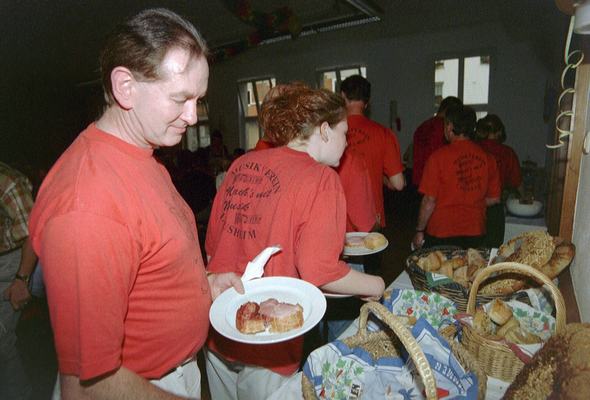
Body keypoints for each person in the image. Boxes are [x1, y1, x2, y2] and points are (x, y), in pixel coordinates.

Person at [28, 8, 243, 399]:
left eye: (198, 100)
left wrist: (205, 286)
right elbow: (92, 385)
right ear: (125, 87)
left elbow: (146, 262)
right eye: (181, 98)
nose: (193, 117)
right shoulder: (87, 205)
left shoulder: (142, 152)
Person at [204, 83, 385, 400]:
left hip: (220, 324)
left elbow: (211, 247)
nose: (346, 143)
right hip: (269, 339)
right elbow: (320, 273)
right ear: (325, 130)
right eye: (344, 133)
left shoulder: (241, 165)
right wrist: (376, 285)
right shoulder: (321, 178)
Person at [339, 75, 404, 276]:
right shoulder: (383, 134)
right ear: (368, 102)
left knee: (338, 281)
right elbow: (399, 184)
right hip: (370, 220)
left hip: (337, 220)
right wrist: (380, 178)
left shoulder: (330, 132)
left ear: (342, 96)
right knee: (369, 283)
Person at [412, 106, 501, 250]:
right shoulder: (488, 159)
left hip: (442, 231)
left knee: (440, 271)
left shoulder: (437, 158)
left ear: (450, 126)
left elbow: (429, 200)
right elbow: (494, 199)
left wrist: (419, 230)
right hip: (475, 230)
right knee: (468, 271)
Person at [1, 161, 36, 400]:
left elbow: (33, 234)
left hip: (13, 259)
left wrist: (21, 280)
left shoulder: (9, 182)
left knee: (1, 341)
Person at [475, 114, 522, 247]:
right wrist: (525, 197)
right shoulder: (507, 153)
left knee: (471, 250)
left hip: (472, 207)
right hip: (494, 207)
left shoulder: (473, 150)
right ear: (499, 131)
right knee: (492, 249)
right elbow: (517, 182)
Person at [412, 96, 463, 187]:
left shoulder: (423, 126)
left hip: (418, 180)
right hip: (434, 182)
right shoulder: (443, 128)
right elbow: (439, 157)